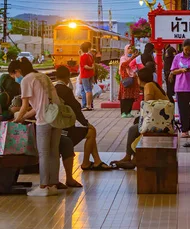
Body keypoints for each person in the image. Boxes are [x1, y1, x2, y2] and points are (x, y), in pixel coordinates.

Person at [8, 59, 60, 197]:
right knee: (54, 152)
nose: (15, 79)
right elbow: (39, 106)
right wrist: (23, 117)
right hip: (56, 116)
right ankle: (54, 185)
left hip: (44, 120)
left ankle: (43, 186)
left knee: (43, 154)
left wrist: (18, 119)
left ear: (17, 71)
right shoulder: (43, 76)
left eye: (13, 76)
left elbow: (25, 106)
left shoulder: (26, 80)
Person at [54, 66, 112, 171]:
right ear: (68, 77)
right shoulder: (65, 90)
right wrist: (85, 123)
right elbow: (76, 108)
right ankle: (86, 162)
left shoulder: (53, 89)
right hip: (66, 129)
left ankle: (97, 161)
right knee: (91, 131)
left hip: (57, 126)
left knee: (90, 132)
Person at [111, 67, 169, 169]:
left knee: (133, 129)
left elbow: (149, 107)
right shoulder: (153, 85)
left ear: (140, 78)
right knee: (136, 125)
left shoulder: (148, 86)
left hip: (160, 123)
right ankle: (129, 157)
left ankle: (131, 159)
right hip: (161, 120)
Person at [169, 39, 190, 137]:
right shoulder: (177, 57)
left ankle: (187, 128)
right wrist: (181, 70)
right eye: (186, 49)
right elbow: (173, 71)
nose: (188, 51)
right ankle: (184, 130)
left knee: (189, 109)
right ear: (182, 48)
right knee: (181, 109)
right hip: (180, 87)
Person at [118, 45, 140, 118]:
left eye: (131, 48)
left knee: (131, 97)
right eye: (128, 48)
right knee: (124, 97)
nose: (130, 50)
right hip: (126, 79)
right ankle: (123, 112)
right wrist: (132, 58)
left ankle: (129, 111)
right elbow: (124, 65)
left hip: (133, 78)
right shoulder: (123, 58)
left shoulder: (133, 58)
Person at [79, 42, 95, 111]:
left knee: (87, 90)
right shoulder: (90, 56)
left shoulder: (83, 56)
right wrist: (92, 69)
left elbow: (85, 66)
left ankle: (88, 106)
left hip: (85, 75)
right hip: (90, 74)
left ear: (82, 49)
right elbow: (93, 65)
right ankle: (90, 105)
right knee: (90, 90)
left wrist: (91, 68)